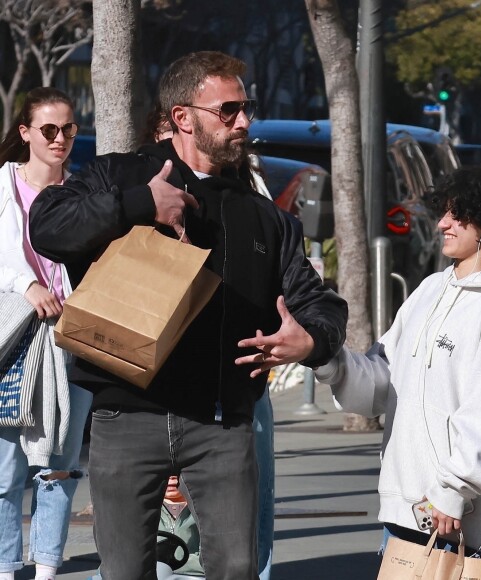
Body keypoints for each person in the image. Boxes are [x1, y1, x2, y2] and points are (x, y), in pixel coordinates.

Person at [29, 51, 347, 580]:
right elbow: (49, 225)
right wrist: (136, 205)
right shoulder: (120, 174)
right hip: (125, 414)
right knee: (125, 571)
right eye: (229, 109)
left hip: (222, 422)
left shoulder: (262, 215)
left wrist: (310, 341)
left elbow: (318, 303)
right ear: (183, 117)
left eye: (247, 108)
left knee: (237, 568)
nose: (244, 120)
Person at [254, 165, 481, 558]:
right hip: (402, 511)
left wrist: (452, 493)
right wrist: (319, 354)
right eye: (444, 211)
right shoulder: (430, 290)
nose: (443, 222)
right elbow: (381, 383)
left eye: (457, 215)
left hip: (451, 518)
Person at [140, 103, 275, 580]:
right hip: (156, 381)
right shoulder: (139, 190)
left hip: (235, 384)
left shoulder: (249, 201)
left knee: (242, 523)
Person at [0, 87, 93, 580]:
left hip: (69, 335)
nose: (60, 140)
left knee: (61, 460)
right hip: (14, 338)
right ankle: (5, 565)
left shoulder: (79, 193)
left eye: (69, 130)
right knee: (6, 468)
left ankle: (47, 567)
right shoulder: (2, 188)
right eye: (49, 130)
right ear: (26, 133)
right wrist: (26, 283)